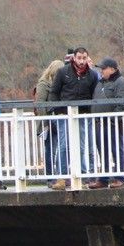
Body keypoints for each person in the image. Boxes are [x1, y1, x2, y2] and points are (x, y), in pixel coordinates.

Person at [50, 47, 98, 177]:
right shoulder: (62, 72)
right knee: (64, 145)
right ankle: (62, 175)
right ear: (74, 58)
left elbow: (95, 95)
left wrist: (90, 112)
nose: (82, 61)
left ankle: (81, 174)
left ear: (87, 58)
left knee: (81, 146)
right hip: (64, 114)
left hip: (82, 115)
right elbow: (54, 92)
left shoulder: (92, 75)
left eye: (84, 58)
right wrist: (57, 111)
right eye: (79, 58)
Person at [89, 58, 124, 188]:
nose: (101, 71)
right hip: (99, 123)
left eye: (104, 68)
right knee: (102, 151)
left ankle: (120, 178)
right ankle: (103, 179)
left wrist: (112, 118)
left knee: (117, 150)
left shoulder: (120, 81)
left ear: (113, 69)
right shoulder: (100, 82)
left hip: (112, 123)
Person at [35, 59, 67, 189]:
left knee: (61, 148)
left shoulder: (60, 83)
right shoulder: (43, 84)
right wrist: (45, 121)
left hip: (58, 119)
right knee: (50, 150)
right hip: (48, 122)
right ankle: (50, 177)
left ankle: (60, 176)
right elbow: (41, 104)